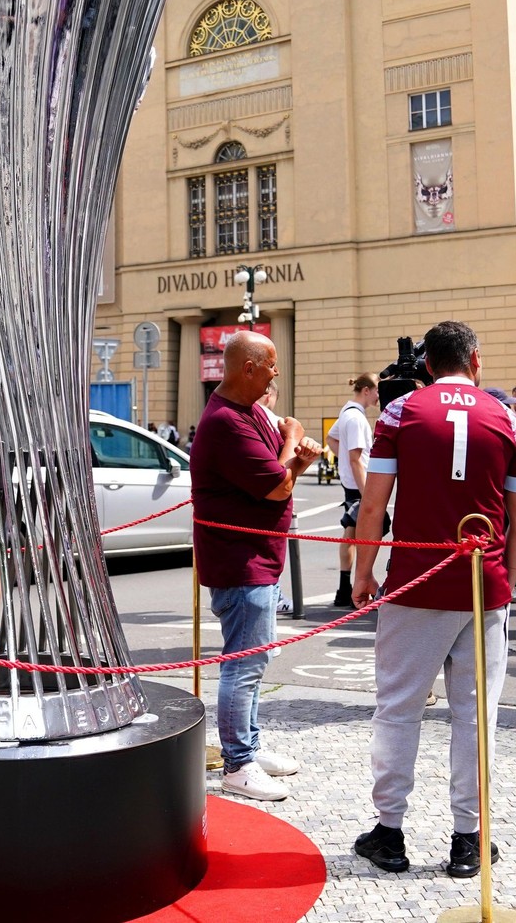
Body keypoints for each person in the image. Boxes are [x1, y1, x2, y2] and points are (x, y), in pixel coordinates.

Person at [352, 320, 516, 878]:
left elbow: (373, 504)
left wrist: (363, 570)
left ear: (428, 363)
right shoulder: (506, 417)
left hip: (414, 582)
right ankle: (468, 840)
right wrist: (508, 575)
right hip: (485, 585)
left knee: (399, 709)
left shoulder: (398, 412)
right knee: (475, 717)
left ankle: (390, 832)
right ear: (475, 360)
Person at [189, 330, 320, 802]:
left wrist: (296, 460)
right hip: (240, 561)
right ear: (248, 368)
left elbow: (278, 476)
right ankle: (238, 762)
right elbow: (274, 488)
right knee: (243, 664)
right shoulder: (227, 420)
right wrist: (293, 439)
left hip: (257, 557)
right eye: (269, 365)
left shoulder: (247, 413)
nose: (275, 373)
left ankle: (249, 746)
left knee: (255, 660)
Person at [327, 373, 379, 609]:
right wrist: (367, 492)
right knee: (362, 537)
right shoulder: (356, 418)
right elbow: (357, 459)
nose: (379, 395)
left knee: (351, 534)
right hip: (358, 486)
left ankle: (345, 587)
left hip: (351, 485)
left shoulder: (347, 412)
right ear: (366, 390)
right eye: (377, 390)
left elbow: (331, 439)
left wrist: (346, 465)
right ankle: (351, 587)